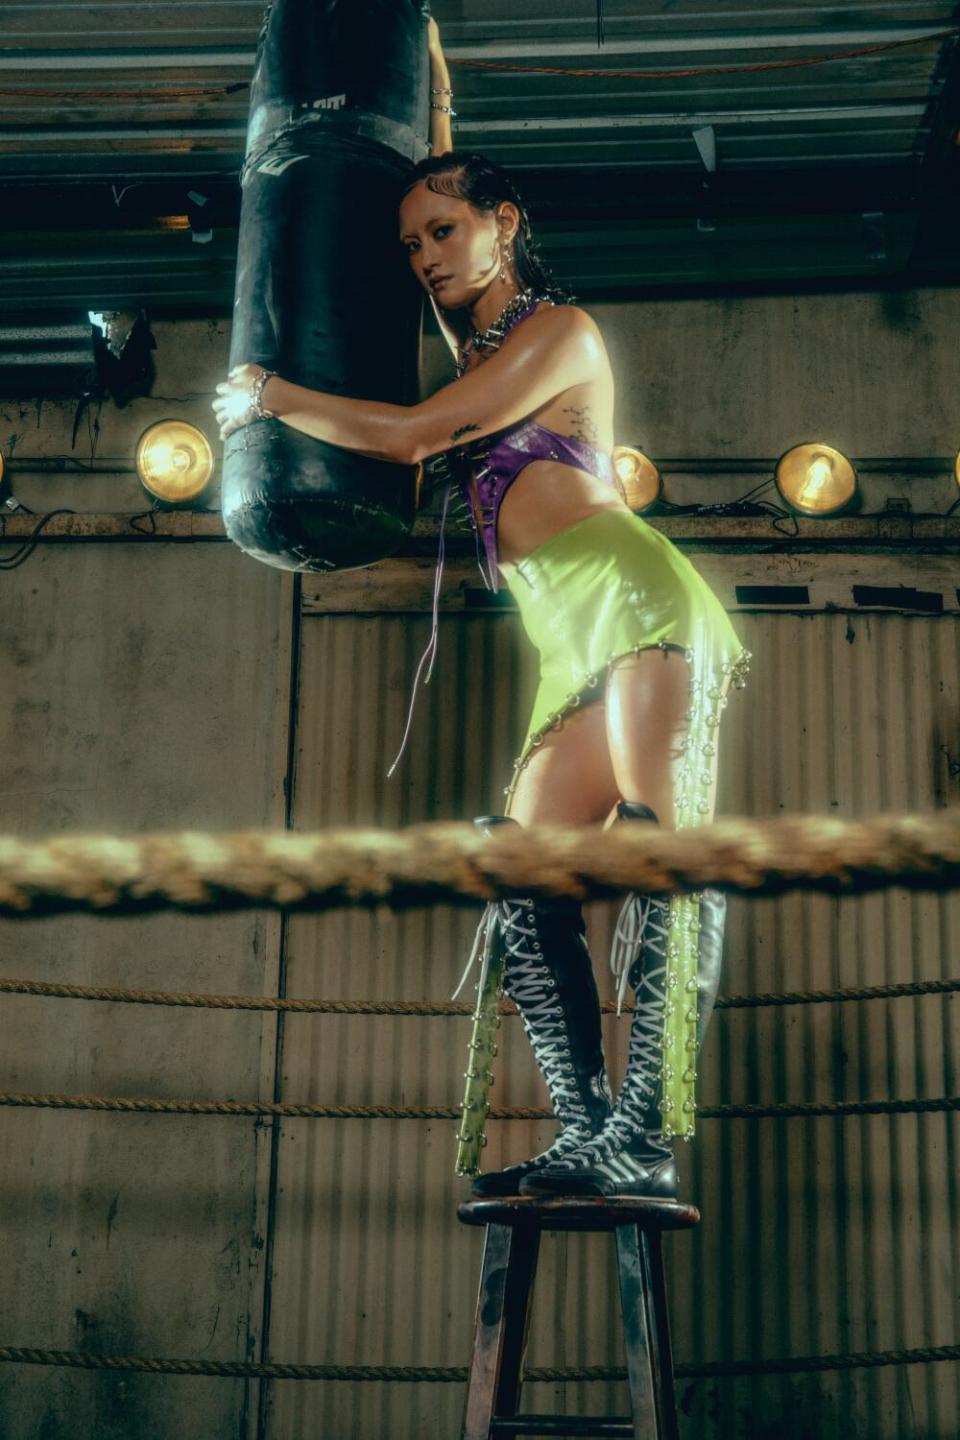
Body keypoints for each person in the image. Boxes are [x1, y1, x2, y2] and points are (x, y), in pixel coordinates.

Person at [214, 50, 748, 1202]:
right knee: (519, 872)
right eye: (410, 243)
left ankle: (647, 1133)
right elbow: (430, 403)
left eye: (443, 232)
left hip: (641, 607)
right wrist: (426, 88)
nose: (423, 256)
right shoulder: (480, 353)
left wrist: (274, 397)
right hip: (566, 645)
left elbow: (411, 439)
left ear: (504, 223)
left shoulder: (562, 334)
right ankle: (590, 1130)